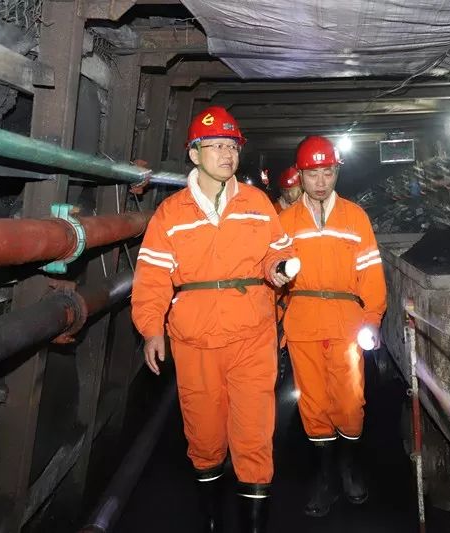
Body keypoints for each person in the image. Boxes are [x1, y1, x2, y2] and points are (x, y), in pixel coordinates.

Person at [131, 105, 295, 533]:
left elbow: (278, 249)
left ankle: (253, 525)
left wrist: (278, 267)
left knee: (254, 432)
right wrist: (151, 329)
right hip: (195, 340)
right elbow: (152, 277)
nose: (228, 154)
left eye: (233, 147)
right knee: (204, 435)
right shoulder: (171, 213)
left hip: (252, 336)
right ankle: (210, 518)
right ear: (194, 154)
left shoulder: (257, 203)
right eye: (217, 146)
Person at [278, 135, 387, 517]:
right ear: (300, 175)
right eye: (313, 174)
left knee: (350, 402)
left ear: (336, 172)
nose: (321, 181)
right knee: (313, 403)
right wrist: (274, 324)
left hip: (345, 322)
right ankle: (325, 476)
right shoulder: (284, 223)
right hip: (303, 321)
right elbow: (272, 278)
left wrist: (373, 319)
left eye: (328, 172)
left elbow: (370, 273)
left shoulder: (355, 218)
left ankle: (348, 466)